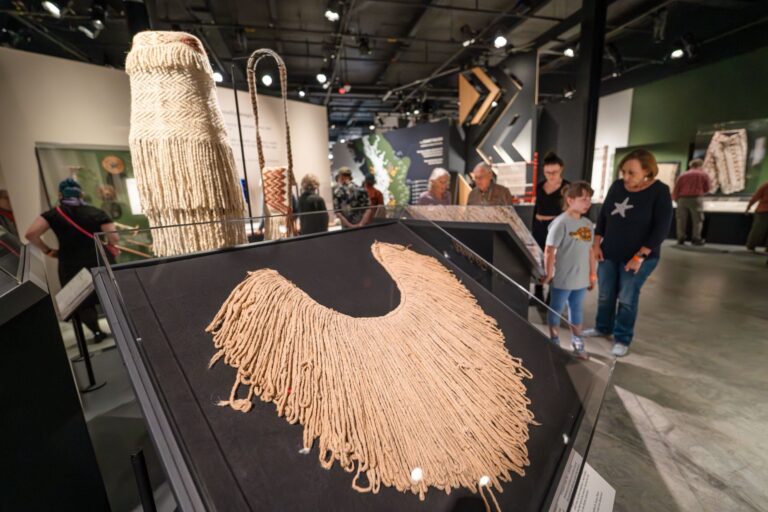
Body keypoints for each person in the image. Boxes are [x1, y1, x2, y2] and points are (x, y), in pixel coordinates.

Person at [584, 149, 673, 357]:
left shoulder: (660, 191)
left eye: (631, 172)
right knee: (606, 294)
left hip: (639, 258)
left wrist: (639, 257)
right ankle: (602, 327)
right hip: (610, 252)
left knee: (627, 297)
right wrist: (597, 243)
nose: (625, 177)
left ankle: (622, 337)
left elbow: (661, 228)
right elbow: (604, 216)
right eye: (623, 171)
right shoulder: (617, 187)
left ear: (647, 171)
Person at [25, 178, 119, 342]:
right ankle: (120, 331)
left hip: (70, 263)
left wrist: (47, 251)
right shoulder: (96, 212)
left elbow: (31, 234)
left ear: (60, 194)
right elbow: (114, 237)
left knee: (83, 301)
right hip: (99, 259)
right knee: (110, 296)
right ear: (80, 193)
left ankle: (97, 333)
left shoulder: (52, 214)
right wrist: (111, 245)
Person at [541, 181, 596, 358]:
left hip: (581, 279)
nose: (588, 203)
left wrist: (592, 274)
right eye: (583, 199)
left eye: (589, 199)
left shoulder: (587, 224)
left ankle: (577, 340)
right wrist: (549, 274)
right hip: (563, 278)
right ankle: (554, 340)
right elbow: (549, 250)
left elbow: (590, 251)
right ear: (570, 200)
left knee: (576, 308)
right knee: (556, 308)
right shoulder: (560, 223)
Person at [532, 152, 570, 306]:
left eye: (554, 172)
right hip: (539, 227)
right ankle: (538, 294)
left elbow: (570, 211)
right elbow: (537, 207)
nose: (551, 175)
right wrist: (534, 226)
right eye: (547, 172)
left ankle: (551, 297)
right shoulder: (540, 186)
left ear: (561, 169)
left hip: (557, 228)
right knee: (538, 261)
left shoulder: (567, 187)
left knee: (555, 261)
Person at [672, 158, 711, 245]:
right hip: (696, 198)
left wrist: (675, 199)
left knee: (681, 219)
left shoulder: (683, 175)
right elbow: (707, 188)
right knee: (697, 220)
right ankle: (696, 238)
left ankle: (680, 238)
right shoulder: (703, 175)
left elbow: (676, 188)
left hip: (682, 199)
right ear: (700, 165)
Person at [745, 179, 768, 252]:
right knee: (757, 230)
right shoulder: (766, 185)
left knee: (758, 229)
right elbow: (756, 196)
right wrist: (749, 206)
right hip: (763, 211)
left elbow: (756, 196)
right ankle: (751, 246)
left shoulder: (765, 185)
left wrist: (748, 207)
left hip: (762, 211)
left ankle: (751, 246)